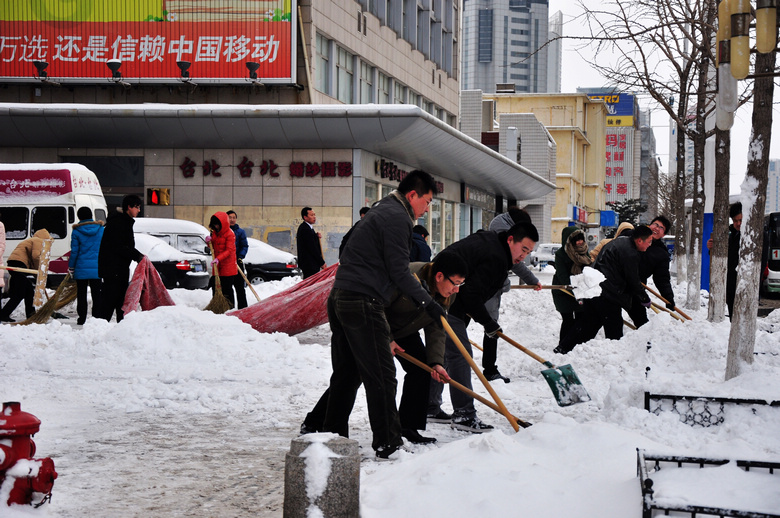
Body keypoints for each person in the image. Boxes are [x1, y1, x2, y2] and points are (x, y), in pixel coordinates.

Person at [323, 170, 443, 459]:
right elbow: (400, 271)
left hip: (341, 295)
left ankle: (329, 437)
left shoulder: (381, 210)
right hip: (363, 301)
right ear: (412, 195)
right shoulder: (397, 217)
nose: (427, 210)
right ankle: (389, 442)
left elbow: (347, 247)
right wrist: (428, 302)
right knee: (382, 375)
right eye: (426, 202)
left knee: (347, 374)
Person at [301, 252, 467, 444]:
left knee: (421, 368)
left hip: (404, 329)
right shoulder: (407, 277)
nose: (457, 289)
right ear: (439, 276)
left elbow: (436, 326)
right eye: (455, 283)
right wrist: (385, 338)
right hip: (373, 323)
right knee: (353, 374)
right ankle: (314, 422)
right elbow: (376, 305)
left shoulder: (447, 293)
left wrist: (436, 362)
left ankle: (408, 427)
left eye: (460, 284)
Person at [428, 221, 539, 433]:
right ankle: (464, 415)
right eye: (523, 249)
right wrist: (488, 323)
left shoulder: (492, 244)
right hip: (444, 298)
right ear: (510, 240)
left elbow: (471, 289)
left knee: (442, 352)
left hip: (446, 298)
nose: (524, 256)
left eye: (529, 252)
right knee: (461, 354)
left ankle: (430, 405)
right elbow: (471, 295)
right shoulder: (496, 257)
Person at [555, 225, 654, 353]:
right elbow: (633, 279)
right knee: (614, 328)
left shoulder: (620, 242)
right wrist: (644, 298)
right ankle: (614, 355)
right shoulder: (629, 252)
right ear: (640, 240)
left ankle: (563, 348)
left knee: (588, 325)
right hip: (607, 294)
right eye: (649, 242)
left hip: (596, 290)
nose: (650, 245)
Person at [480, 206, 542, 383]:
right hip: (485, 286)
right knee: (490, 326)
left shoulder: (502, 224)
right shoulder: (503, 230)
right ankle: (489, 370)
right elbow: (513, 262)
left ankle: (486, 368)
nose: (524, 254)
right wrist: (531, 279)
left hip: (488, 286)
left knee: (486, 324)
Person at [98, 195, 144, 323]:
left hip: (118, 270)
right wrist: (137, 256)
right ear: (129, 207)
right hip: (113, 270)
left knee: (120, 303)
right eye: (137, 207)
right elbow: (120, 246)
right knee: (110, 302)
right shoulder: (119, 223)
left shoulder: (124, 221)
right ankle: (101, 329)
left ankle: (120, 327)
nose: (139, 210)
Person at [628, 216, 674, 328]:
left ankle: (646, 343)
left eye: (661, 228)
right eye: (656, 224)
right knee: (609, 319)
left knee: (642, 322)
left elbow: (662, 279)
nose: (657, 228)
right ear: (650, 225)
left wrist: (668, 299)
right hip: (617, 283)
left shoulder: (661, 254)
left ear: (663, 235)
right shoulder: (633, 236)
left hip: (637, 288)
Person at [551, 226, 592, 347]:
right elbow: (562, 275)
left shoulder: (584, 252)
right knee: (568, 319)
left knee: (581, 318)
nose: (580, 242)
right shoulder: (561, 254)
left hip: (580, 289)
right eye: (576, 240)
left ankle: (578, 344)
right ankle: (563, 344)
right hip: (563, 290)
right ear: (569, 241)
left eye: (581, 239)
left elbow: (588, 270)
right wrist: (574, 289)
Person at [0, 228, 51, 322]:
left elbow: (31, 261)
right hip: (18, 264)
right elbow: (36, 257)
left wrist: (37, 276)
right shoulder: (38, 240)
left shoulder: (31, 240)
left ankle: (31, 315)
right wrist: (40, 271)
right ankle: (3, 314)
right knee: (19, 293)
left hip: (15, 264)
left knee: (29, 291)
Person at [69, 207, 104, 325]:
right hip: (97, 267)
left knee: (81, 294)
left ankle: (82, 317)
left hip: (81, 267)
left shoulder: (77, 231)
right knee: (97, 294)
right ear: (91, 216)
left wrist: (71, 267)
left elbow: (74, 251)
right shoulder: (100, 229)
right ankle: (96, 317)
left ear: (79, 217)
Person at [707, 203, 742, 320]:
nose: (738, 223)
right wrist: (711, 248)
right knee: (732, 311)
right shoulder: (727, 232)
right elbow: (721, 253)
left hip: (745, 281)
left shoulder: (754, 234)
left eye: (740, 220)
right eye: (735, 220)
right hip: (729, 280)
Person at [206, 211, 239, 307]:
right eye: (214, 225)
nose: (216, 227)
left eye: (217, 225)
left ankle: (230, 307)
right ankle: (217, 306)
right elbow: (214, 247)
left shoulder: (230, 234)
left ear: (222, 223)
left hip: (228, 266)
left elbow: (229, 250)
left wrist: (218, 259)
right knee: (215, 286)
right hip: (218, 265)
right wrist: (209, 242)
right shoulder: (215, 233)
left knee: (227, 289)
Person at [226, 210, 248, 309]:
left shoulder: (240, 232)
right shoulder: (224, 232)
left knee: (240, 288)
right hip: (227, 263)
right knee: (227, 287)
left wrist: (240, 257)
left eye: (234, 217)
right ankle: (230, 307)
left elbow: (244, 246)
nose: (232, 219)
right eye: (230, 217)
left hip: (237, 262)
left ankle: (243, 308)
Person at [296, 207, 325, 278]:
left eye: (314, 215)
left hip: (310, 264)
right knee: (310, 284)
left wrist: (316, 236)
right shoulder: (305, 229)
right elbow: (312, 247)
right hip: (309, 264)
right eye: (311, 215)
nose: (314, 217)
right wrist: (321, 262)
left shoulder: (308, 228)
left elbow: (310, 240)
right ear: (305, 217)